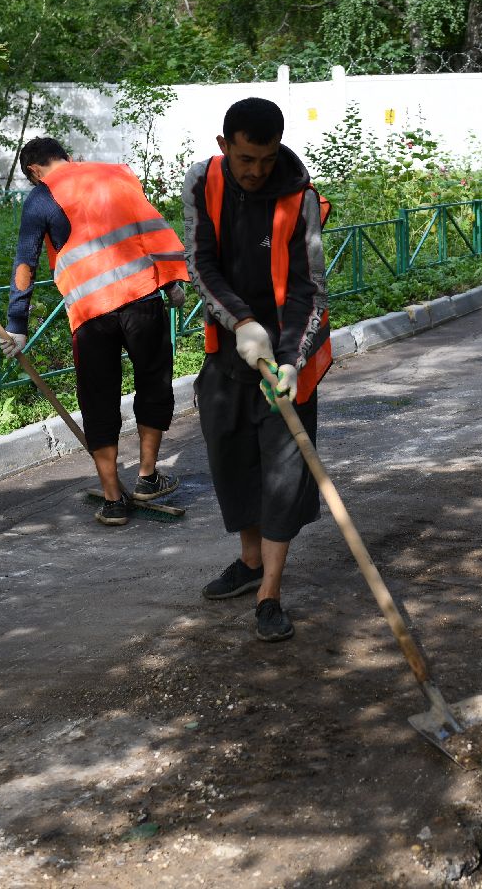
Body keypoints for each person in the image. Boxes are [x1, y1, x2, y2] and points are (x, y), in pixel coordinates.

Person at [183, 98, 331, 643]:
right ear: (225, 146)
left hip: (288, 362)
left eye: (266, 159)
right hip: (228, 353)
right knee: (233, 464)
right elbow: (199, 263)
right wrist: (241, 322)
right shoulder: (203, 182)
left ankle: (269, 593)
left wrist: (291, 362)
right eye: (246, 158)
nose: (255, 171)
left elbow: (310, 291)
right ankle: (248, 563)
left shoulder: (301, 198)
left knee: (283, 477)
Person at [3, 137, 189, 526]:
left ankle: (112, 500)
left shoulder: (40, 199)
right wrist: (172, 279)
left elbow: (26, 263)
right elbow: (149, 227)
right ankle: (147, 477)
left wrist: (17, 326)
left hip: (91, 315)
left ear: (33, 171)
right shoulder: (116, 174)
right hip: (142, 299)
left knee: (98, 398)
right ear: (67, 157)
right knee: (153, 383)